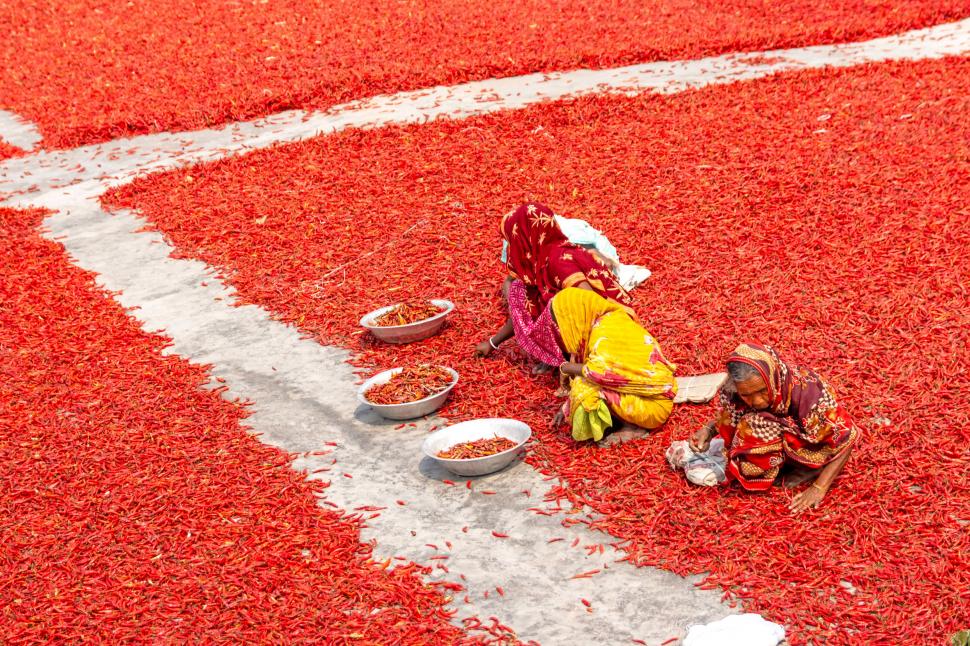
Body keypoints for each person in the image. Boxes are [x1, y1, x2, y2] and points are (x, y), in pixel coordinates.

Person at [690, 343, 860, 514]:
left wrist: (819, 488)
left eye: (762, 390)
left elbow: (848, 435)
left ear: (772, 376)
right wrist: (709, 430)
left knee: (756, 425)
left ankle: (809, 467)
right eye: (746, 395)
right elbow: (730, 413)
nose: (756, 401)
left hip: (811, 438)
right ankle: (781, 462)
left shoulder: (807, 392)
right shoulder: (734, 389)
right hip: (782, 428)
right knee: (737, 421)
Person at [475, 202, 636, 369]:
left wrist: (574, 365)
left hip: (609, 331)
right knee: (519, 289)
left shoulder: (557, 261)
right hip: (597, 325)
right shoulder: (545, 257)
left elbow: (588, 305)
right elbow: (528, 306)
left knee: (558, 304)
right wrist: (492, 343)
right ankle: (561, 354)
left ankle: (571, 358)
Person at [549, 287, 677, 446]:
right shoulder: (609, 319)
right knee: (582, 385)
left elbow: (597, 372)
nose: (563, 331)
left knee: (584, 387)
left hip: (652, 406)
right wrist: (566, 408)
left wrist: (566, 367)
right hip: (653, 397)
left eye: (563, 324)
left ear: (574, 316)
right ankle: (622, 421)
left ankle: (632, 427)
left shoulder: (604, 330)